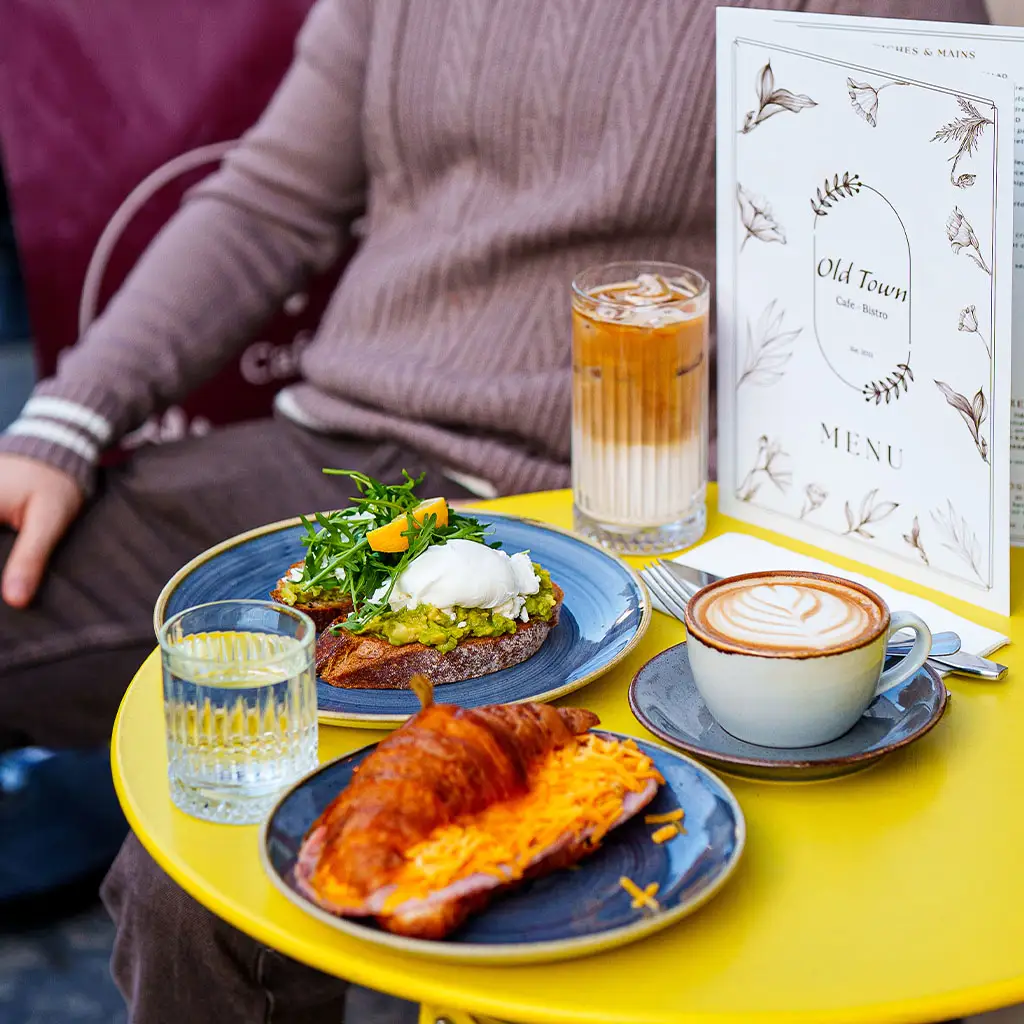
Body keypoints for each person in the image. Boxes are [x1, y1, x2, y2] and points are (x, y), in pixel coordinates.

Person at [0, 0, 987, 1020]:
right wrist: (65, 422)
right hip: (334, 460)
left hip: (609, 513)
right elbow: (271, 199)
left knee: (192, 902)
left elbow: (943, 216)